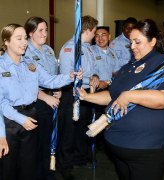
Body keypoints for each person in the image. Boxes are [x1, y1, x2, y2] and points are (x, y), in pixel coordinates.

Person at [77, 19, 164, 180]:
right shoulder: (128, 66)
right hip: (119, 147)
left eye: (137, 42)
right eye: (131, 42)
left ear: (153, 41)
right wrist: (87, 96)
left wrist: (130, 95)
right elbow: (113, 96)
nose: (132, 46)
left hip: (148, 149)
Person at [0, 23, 82, 180]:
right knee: (8, 169)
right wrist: (3, 134)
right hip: (8, 120)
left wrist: (70, 76)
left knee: (29, 166)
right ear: (7, 41)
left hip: (31, 116)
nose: (24, 42)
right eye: (18, 38)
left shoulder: (30, 64)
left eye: (25, 38)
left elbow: (49, 81)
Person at [56, 15, 98, 180]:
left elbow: (90, 70)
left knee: (81, 130)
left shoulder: (87, 47)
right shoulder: (70, 48)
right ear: (87, 30)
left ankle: (78, 159)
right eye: (94, 32)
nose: (94, 35)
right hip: (72, 94)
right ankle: (63, 167)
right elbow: (68, 76)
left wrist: (94, 76)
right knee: (68, 133)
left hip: (85, 93)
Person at [24, 16, 60, 180]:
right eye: (40, 30)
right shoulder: (25, 52)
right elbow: (27, 84)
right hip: (36, 101)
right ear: (31, 33)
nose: (45, 34)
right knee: (38, 144)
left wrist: (58, 89)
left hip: (52, 99)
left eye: (46, 30)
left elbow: (54, 74)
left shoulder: (49, 50)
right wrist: (46, 97)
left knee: (49, 141)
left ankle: (48, 172)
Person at [91, 26, 120, 90]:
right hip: (94, 88)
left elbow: (116, 72)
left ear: (109, 37)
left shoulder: (113, 53)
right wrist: (97, 82)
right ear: (94, 38)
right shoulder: (90, 51)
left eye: (103, 35)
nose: (100, 38)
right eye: (97, 36)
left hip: (111, 87)